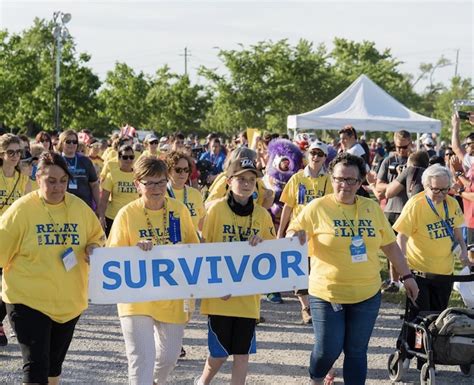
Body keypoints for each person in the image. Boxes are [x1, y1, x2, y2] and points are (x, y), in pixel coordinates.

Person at [286, 153, 418, 385]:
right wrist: (293, 236)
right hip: (327, 293)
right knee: (328, 349)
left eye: (351, 180)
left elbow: (389, 245)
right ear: (331, 178)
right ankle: (316, 378)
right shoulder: (317, 207)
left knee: (356, 350)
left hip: (366, 294)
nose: (344, 185)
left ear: (359, 183)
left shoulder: (371, 208)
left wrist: (406, 275)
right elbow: (292, 233)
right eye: (339, 179)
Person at [0, 152, 104, 384]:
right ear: (38, 179)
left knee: (53, 367)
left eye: (63, 181)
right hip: (27, 300)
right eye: (51, 181)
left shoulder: (79, 208)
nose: (58, 187)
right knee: (36, 367)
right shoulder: (21, 211)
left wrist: (93, 247)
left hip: (69, 302)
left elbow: (97, 238)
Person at [107, 156, 199, 385]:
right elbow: (112, 257)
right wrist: (134, 250)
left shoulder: (179, 210)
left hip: (172, 295)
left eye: (160, 182)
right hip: (135, 296)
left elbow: (195, 249)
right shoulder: (127, 214)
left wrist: (181, 249)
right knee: (141, 359)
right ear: (137, 184)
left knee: (169, 357)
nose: (156, 189)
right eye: (149, 183)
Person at [195, 157, 276, 385]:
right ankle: (203, 382)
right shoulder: (216, 210)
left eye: (252, 180)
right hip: (220, 295)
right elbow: (204, 250)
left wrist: (264, 245)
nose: (247, 184)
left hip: (248, 298)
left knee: (242, 354)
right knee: (219, 354)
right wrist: (213, 285)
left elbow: (274, 255)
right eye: (241, 179)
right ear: (229, 181)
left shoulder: (262, 215)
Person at [393, 164, 470, 369]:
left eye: (445, 189)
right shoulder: (415, 204)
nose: (441, 194)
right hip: (420, 272)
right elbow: (401, 236)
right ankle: (405, 352)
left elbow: (457, 230)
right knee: (418, 317)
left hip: (444, 272)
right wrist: (403, 265)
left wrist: (463, 250)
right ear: (426, 186)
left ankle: (427, 358)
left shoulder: (451, 202)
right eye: (436, 189)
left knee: (438, 317)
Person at [277, 140, 333, 324]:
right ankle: (305, 307)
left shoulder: (329, 180)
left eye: (320, 154)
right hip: (299, 230)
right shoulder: (297, 178)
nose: (315, 157)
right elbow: (288, 206)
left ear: (325, 158)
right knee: (299, 270)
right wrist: (281, 231)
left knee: (319, 268)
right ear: (307, 155)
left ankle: (320, 305)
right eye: (313, 153)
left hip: (320, 230)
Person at [369, 129, 412, 293]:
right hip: (391, 209)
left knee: (410, 248)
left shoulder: (415, 160)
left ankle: (410, 278)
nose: (402, 150)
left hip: (409, 209)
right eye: (399, 147)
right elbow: (379, 185)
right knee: (391, 246)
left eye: (405, 147)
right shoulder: (388, 160)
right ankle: (394, 281)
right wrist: (396, 183)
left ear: (411, 143)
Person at [0, 134, 32, 346]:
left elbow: (29, 206)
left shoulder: (24, 178)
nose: (15, 156)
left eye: (18, 152)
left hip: (15, 236)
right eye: (10, 152)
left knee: (9, 281)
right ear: (1, 154)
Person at [205, 147, 274, 210]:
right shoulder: (225, 179)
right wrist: (228, 202)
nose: (257, 163)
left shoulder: (257, 181)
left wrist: (269, 197)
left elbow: (262, 208)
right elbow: (207, 205)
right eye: (254, 161)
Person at [98, 145, 138, 237]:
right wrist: (101, 217)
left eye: (131, 157)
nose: (128, 160)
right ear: (119, 158)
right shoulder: (112, 174)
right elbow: (104, 199)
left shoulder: (138, 175)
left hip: (132, 217)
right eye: (125, 157)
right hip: (113, 217)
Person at [58, 129, 100, 210]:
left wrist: (98, 206)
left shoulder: (85, 161)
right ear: (61, 143)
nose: (72, 144)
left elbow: (94, 185)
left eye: (74, 142)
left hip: (84, 206)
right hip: (62, 206)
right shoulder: (56, 160)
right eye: (68, 141)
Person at [166, 150, 205, 232]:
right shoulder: (160, 194)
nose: (183, 173)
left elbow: (202, 227)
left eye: (186, 170)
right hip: (169, 244)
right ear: (168, 171)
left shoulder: (195, 194)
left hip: (192, 243)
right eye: (178, 170)